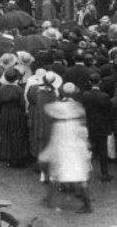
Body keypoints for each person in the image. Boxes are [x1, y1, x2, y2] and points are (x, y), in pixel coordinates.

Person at [40, 83, 93, 213]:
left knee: (59, 172)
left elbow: (48, 108)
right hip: (73, 146)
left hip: (65, 145)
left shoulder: (61, 110)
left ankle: (49, 198)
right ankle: (85, 203)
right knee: (75, 173)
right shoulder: (77, 108)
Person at [81, 73, 114, 182]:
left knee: (88, 149)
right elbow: (109, 112)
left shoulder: (85, 95)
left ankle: (86, 172)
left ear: (90, 82)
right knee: (103, 150)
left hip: (90, 125)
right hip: (102, 126)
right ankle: (104, 173)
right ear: (99, 82)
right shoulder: (104, 96)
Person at [0, 68, 29, 168]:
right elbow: (22, 103)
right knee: (17, 134)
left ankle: (8, 158)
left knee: (6, 134)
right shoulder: (18, 89)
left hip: (5, 112)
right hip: (16, 113)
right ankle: (17, 157)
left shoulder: (2, 88)